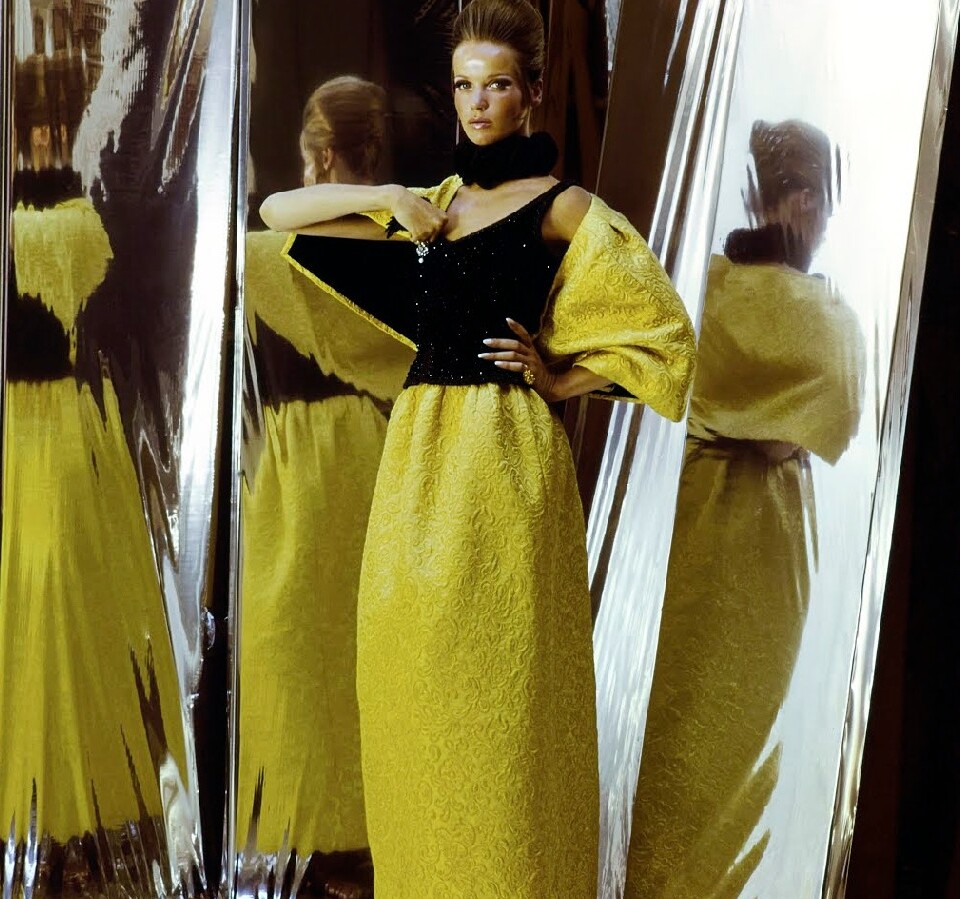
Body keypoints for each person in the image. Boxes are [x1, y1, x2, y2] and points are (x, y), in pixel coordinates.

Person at [260, 1, 697, 894]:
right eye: (464, 86)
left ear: (531, 92)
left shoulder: (564, 207)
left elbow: (666, 336)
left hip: (506, 460)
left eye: (496, 84)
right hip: (418, 462)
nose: (478, 103)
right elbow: (278, 210)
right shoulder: (433, 206)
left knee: (504, 699)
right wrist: (386, 197)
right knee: (416, 687)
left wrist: (562, 379)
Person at [624, 120, 865, 898]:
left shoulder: (722, 294)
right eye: (810, 198)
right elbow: (792, 415)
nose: (816, 217)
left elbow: (818, 409)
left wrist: (752, 414)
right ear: (789, 200)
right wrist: (771, 416)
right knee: (689, 744)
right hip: (726, 549)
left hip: (739, 550)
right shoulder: (764, 301)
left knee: (710, 752)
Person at [238, 76, 409, 899]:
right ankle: (375, 841)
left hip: (299, 471)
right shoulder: (407, 251)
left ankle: (310, 839)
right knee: (371, 655)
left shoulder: (268, 257)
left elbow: (274, 214)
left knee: (299, 658)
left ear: (324, 155)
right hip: (385, 458)